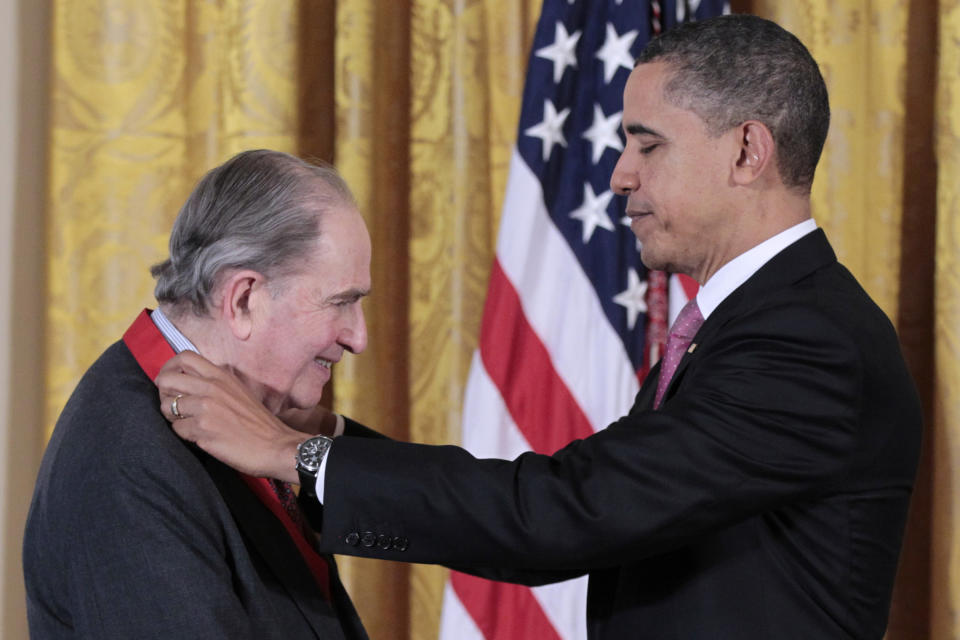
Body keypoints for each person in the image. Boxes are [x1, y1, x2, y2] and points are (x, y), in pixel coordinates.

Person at [156, 15, 923, 639]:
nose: (620, 174)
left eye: (647, 143)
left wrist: (294, 453)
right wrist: (336, 444)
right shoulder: (752, 323)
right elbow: (591, 502)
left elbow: (565, 513)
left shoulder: (808, 344)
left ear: (748, 151)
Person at [23, 149, 376, 639]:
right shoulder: (130, 458)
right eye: (341, 303)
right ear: (244, 299)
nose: (357, 338)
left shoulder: (237, 416)